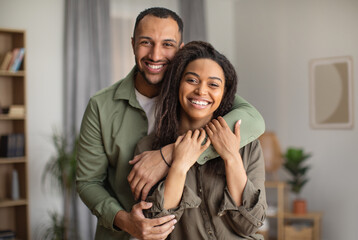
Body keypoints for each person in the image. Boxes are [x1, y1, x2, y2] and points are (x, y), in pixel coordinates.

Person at [76, 7, 265, 240]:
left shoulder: (197, 94)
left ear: (180, 49)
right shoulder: (101, 105)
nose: (155, 55)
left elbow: (253, 119)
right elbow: (88, 182)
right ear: (133, 43)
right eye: (146, 42)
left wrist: (170, 154)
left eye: (167, 44)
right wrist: (126, 222)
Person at [139, 41, 267, 239]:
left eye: (214, 84)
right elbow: (157, 227)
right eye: (192, 80)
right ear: (177, 84)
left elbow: (250, 224)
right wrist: (179, 166)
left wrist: (232, 157)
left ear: (224, 94)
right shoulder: (149, 150)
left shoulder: (247, 145)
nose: (201, 91)